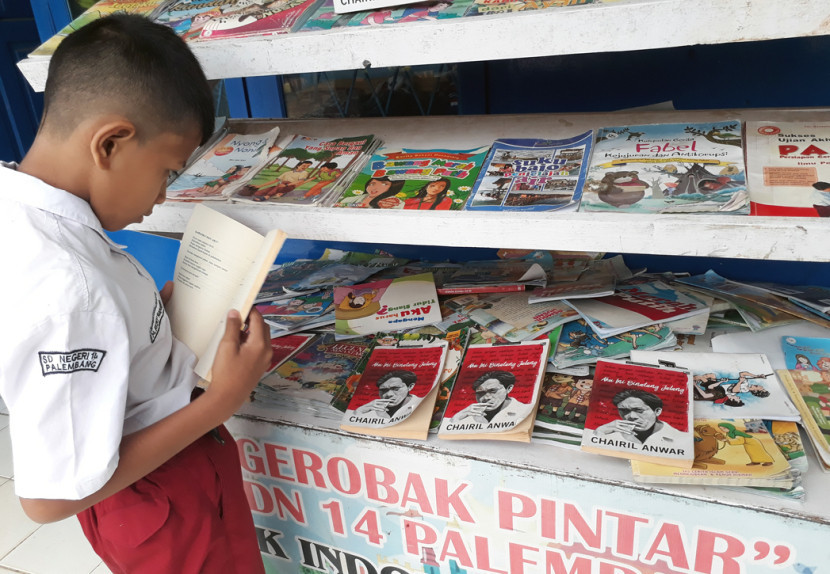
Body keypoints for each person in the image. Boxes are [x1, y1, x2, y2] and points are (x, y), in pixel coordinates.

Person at [0, 14, 273, 574]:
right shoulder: (68, 290)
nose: (163, 195)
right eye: (167, 170)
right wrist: (223, 400)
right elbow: (49, 500)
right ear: (111, 143)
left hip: (150, 489)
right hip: (165, 504)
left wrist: (154, 319)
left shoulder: (23, 211)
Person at [593, 389, 685, 447]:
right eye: (624, 411)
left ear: (657, 411)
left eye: (639, 410)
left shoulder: (680, 439)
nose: (631, 416)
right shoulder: (608, 433)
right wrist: (599, 432)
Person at [450, 370, 533, 426]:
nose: (486, 397)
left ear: (509, 389)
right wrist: (458, 417)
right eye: (480, 393)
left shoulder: (526, 411)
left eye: (493, 391)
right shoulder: (467, 414)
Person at [353, 370, 419, 421]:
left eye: (396, 389)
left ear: (410, 387)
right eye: (383, 390)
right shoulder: (371, 409)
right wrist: (359, 412)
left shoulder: (420, 405)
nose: (388, 394)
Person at [337, 176, 403, 208]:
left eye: (384, 184)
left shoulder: (395, 202)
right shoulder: (354, 198)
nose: (374, 188)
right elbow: (339, 205)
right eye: (372, 184)